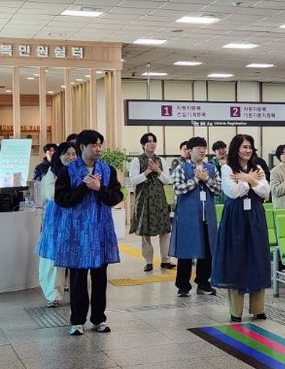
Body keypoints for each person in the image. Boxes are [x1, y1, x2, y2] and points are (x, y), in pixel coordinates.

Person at [53, 130, 123, 336]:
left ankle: (99, 319)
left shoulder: (108, 170)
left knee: (100, 278)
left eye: (100, 144)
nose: (98, 149)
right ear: (82, 147)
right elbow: (62, 200)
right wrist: (85, 187)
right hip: (77, 233)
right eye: (94, 145)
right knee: (78, 279)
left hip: (101, 230)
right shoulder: (67, 171)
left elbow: (116, 197)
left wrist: (99, 187)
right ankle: (77, 321)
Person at [212, 134, 271, 322]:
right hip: (235, 217)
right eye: (244, 147)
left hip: (255, 215)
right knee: (236, 259)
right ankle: (236, 311)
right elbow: (233, 192)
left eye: (250, 147)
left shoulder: (258, 168)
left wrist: (248, 179)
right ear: (236, 148)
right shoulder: (227, 168)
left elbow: (265, 191)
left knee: (257, 258)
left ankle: (258, 309)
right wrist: (249, 180)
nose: (248, 150)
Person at [169, 137, 221, 297]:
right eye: (198, 147)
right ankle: (183, 285)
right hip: (188, 216)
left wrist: (206, 179)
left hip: (207, 216)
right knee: (186, 250)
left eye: (204, 147)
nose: (202, 150)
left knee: (207, 250)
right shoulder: (181, 168)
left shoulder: (211, 168)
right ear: (189, 151)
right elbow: (178, 189)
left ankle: (203, 283)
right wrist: (196, 179)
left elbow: (218, 190)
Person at [36, 142, 76, 307]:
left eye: (74, 154)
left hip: (74, 219)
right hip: (56, 220)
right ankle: (53, 295)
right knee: (53, 258)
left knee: (74, 256)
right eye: (67, 154)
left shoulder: (78, 171)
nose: (71, 157)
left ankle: (76, 292)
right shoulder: (51, 173)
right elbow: (52, 195)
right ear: (59, 156)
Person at [129, 132, 174, 272]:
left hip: (160, 200)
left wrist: (158, 170)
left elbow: (168, 180)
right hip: (144, 201)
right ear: (143, 144)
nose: (152, 143)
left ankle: (166, 260)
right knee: (145, 232)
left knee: (165, 231)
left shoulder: (161, 160)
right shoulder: (136, 161)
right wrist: (147, 172)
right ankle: (148, 261)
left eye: (154, 141)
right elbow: (133, 181)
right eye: (148, 141)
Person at [210, 140, 228, 205]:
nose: (221, 151)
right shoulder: (211, 163)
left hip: (229, 191)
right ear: (214, 152)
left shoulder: (232, 162)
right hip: (217, 193)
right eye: (218, 149)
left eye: (223, 148)